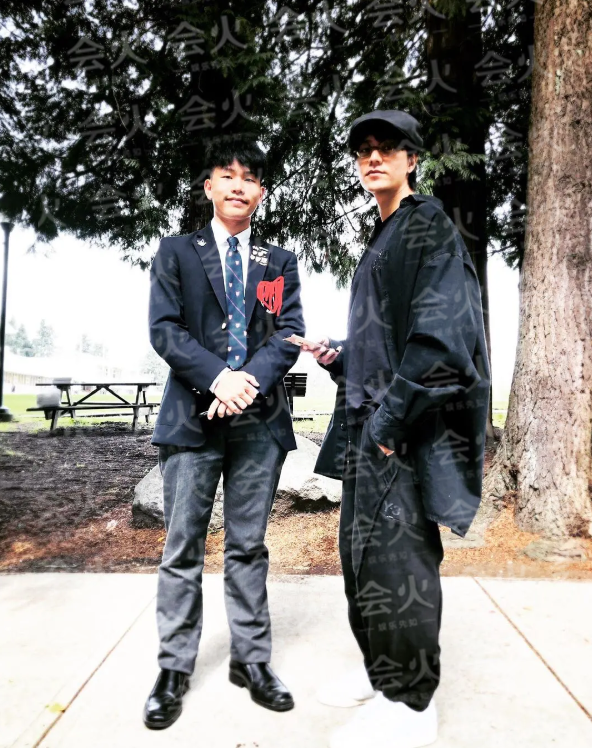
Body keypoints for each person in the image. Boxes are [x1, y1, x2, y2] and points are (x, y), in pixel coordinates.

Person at [302, 110, 491, 748]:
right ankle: (379, 671)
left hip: (400, 431)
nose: (373, 157)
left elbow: (442, 338)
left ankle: (411, 705)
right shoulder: (383, 235)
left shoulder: (427, 225)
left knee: (399, 562)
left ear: (412, 159)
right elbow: (386, 341)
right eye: (364, 150)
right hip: (370, 427)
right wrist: (339, 355)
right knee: (361, 562)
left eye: (387, 147)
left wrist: (390, 422)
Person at [145, 140, 305, 729]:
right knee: (182, 546)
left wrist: (245, 384)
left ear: (261, 192)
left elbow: (288, 333)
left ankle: (251, 661)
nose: (239, 185)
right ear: (209, 186)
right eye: (227, 175)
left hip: (259, 425)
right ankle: (173, 668)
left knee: (248, 546)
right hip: (191, 421)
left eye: (250, 178)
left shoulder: (278, 261)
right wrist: (218, 378)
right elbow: (165, 330)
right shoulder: (176, 252)